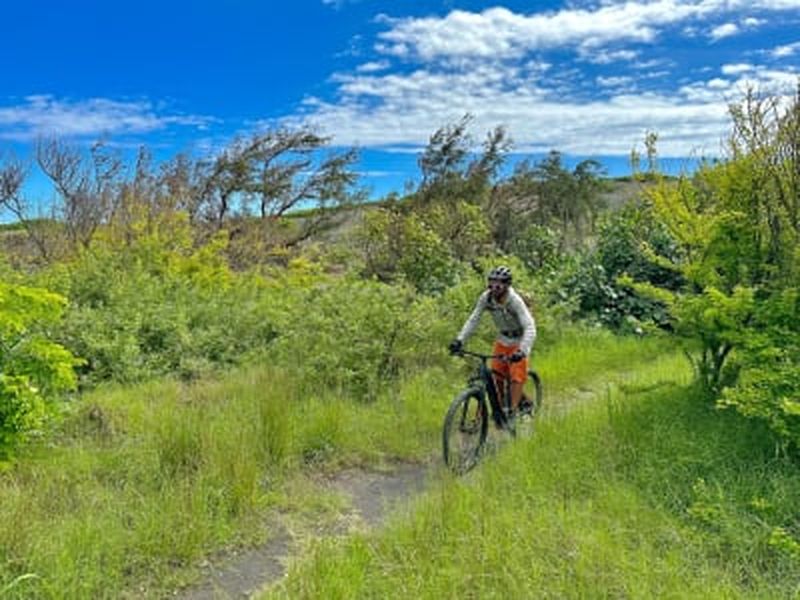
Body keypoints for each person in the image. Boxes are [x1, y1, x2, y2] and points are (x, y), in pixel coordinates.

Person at [449, 265, 536, 414]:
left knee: (516, 377)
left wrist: (522, 350)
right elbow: (473, 320)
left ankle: (512, 413)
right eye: (492, 282)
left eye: (499, 283)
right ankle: (504, 406)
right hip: (503, 339)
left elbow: (530, 327)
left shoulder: (514, 301)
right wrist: (459, 340)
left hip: (519, 340)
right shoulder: (486, 298)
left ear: (507, 285)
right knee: (497, 377)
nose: (495, 287)